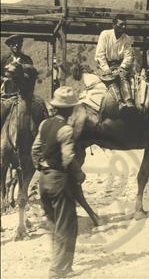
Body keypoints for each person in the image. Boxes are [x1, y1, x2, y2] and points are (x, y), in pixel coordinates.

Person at [31, 86, 85, 278]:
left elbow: (35, 150)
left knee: (54, 224)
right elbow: (68, 158)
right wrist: (79, 175)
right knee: (67, 225)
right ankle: (58, 270)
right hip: (59, 181)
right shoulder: (66, 130)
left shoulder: (44, 124)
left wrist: (41, 167)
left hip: (44, 181)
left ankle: (62, 264)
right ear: (70, 110)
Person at [95, 17, 135, 111]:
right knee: (110, 80)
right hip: (107, 65)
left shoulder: (127, 38)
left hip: (121, 66)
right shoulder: (105, 34)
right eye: (121, 25)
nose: (124, 27)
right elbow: (99, 54)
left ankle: (128, 101)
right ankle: (119, 101)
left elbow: (129, 55)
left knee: (123, 77)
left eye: (125, 25)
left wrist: (122, 67)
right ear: (114, 25)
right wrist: (106, 68)